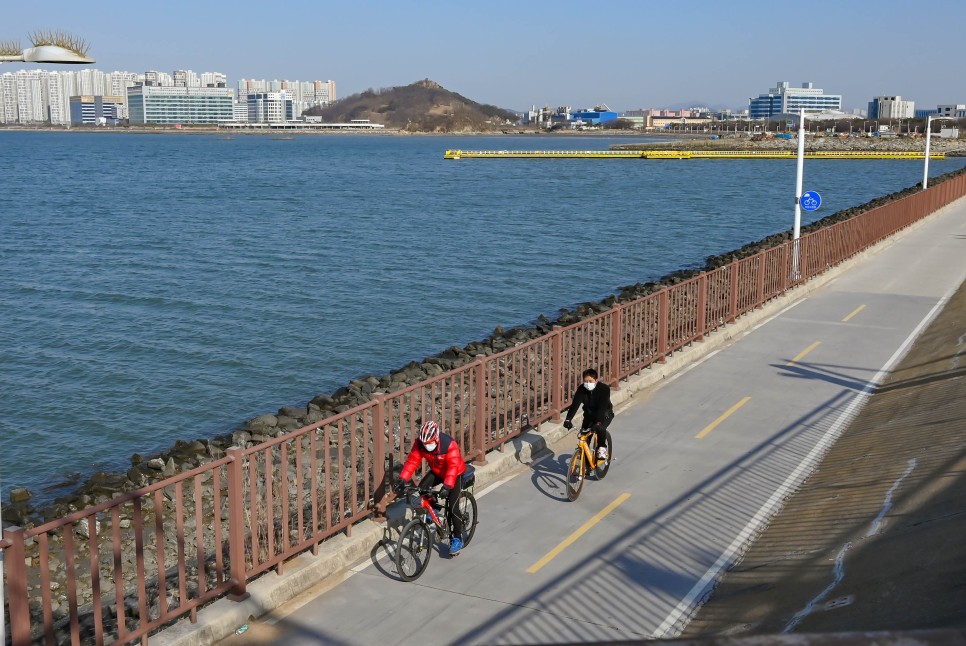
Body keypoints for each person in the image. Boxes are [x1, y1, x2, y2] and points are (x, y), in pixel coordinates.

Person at [394, 420, 468, 556]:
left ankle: (457, 538)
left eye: (429, 443)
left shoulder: (449, 444)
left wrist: (447, 486)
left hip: (454, 474)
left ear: (437, 438)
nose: (427, 446)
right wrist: (402, 479)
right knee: (422, 490)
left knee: (453, 507)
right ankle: (434, 508)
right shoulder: (420, 444)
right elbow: (412, 461)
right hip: (437, 471)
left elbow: (453, 467)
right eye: (424, 444)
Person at [563, 368, 614, 460]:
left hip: (604, 414)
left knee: (600, 428)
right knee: (585, 437)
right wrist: (568, 419)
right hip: (589, 415)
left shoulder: (604, 389)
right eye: (585, 381)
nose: (588, 383)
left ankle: (602, 448)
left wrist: (598, 422)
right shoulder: (581, 389)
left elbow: (602, 407)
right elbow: (575, 405)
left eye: (590, 381)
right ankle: (586, 464)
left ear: (596, 380)